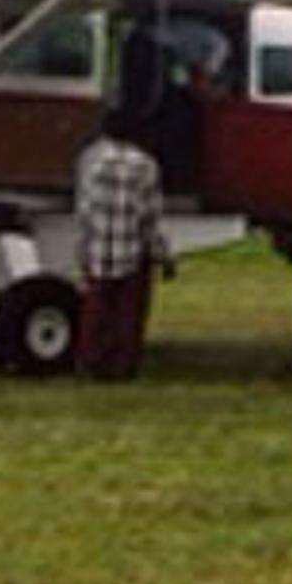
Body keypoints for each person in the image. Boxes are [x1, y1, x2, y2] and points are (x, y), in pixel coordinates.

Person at [73, 106, 175, 381]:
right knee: (128, 314)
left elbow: (84, 210)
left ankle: (91, 360)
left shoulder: (91, 161)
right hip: (131, 249)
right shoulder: (145, 165)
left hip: (97, 246)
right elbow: (150, 217)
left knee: (96, 309)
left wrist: (81, 248)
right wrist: (163, 255)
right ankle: (122, 366)